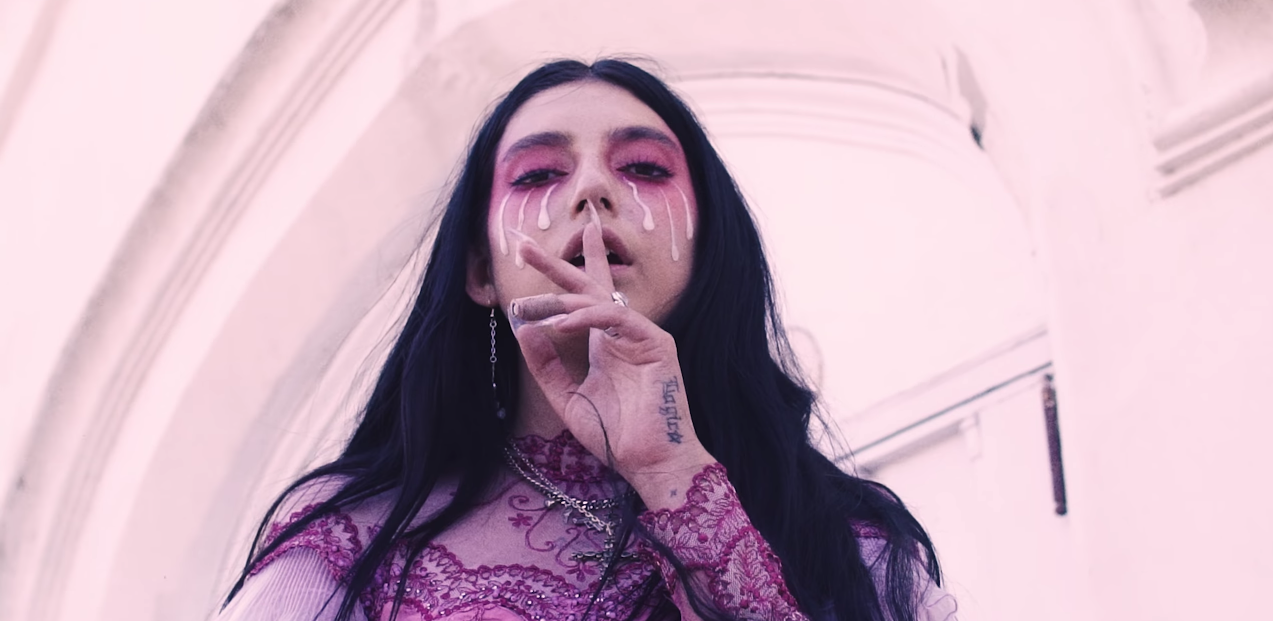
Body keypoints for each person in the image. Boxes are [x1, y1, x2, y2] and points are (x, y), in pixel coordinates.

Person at [217, 58, 959, 621]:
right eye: (539, 173)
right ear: (479, 270)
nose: (591, 191)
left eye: (643, 168)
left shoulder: (853, 545)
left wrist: (675, 477)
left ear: (709, 250)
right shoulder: (355, 536)